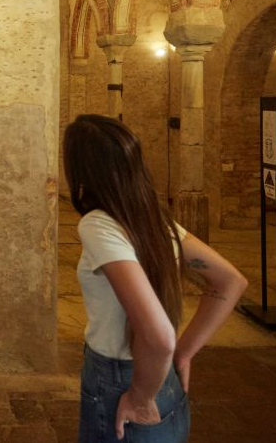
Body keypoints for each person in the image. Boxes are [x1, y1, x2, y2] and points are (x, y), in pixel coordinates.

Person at [63, 115, 248, 443]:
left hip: (123, 378)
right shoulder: (156, 222)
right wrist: (184, 353)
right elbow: (230, 281)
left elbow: (160, 336)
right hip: (164, 382)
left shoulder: (98, 225)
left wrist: (140, 396)